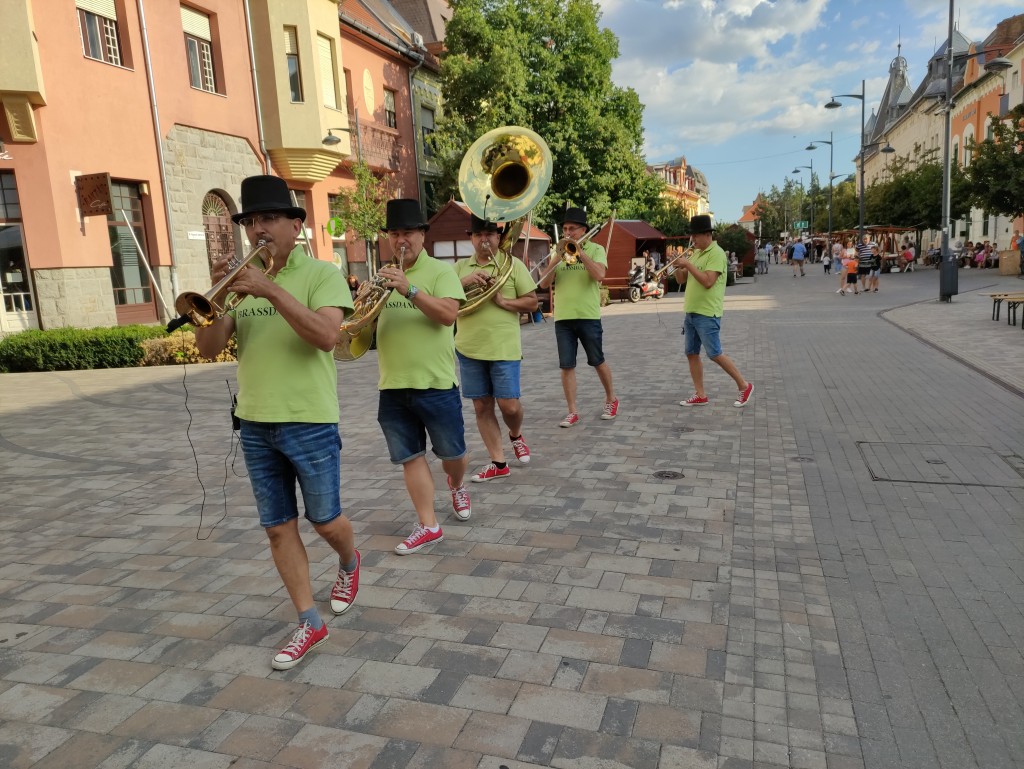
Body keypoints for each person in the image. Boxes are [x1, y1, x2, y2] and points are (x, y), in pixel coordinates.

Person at [194, 175, 359, 671]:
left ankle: (350, 562)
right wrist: (218, 299)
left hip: (308, 419)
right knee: (277, 529)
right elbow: (206, 349)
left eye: (268, 219)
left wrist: (267, 289)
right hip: (255, 423)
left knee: (325, 520)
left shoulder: (322, 275)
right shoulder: (240, 283)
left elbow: (326, 336)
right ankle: (309, 620)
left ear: (295, 224)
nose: (258, 230)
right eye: (250, 221)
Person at [375, 199, 470, 554]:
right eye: (395, 233)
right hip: (393, 385)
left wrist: (409, 289)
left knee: (454, 454)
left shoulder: (441, 272)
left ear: (422, 236)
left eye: (408, 233)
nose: (401, 240)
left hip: (436, 384)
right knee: (411, 457)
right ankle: (429, 524)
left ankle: (457, 484)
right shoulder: (383, 274)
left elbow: (448, 314)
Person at [455, 215, 539, 482]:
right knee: (482, 406)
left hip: (504, 349)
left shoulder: (512, 265)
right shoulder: (458, 268)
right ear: (471, 237)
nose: (484, 240)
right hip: (469, 349)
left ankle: (515, 435)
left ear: (499, 237)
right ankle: (498, 462)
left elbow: (532, 303)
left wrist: (504, 302)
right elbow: (442, 301)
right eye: (479, 234)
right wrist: (465, 282)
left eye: (490, 234)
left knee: (510, 406)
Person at [538, 206, 618, 427]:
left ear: (583, 230)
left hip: (588, 315)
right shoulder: (559, 252)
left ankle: (611, 399)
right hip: (563, 318)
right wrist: (557, 258)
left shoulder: (595, 249)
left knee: (597, 361)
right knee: (566, 366)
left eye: (572, 229)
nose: (567, 232)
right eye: (564, 228)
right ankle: (572, 411)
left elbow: (600, 275)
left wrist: (580, 253)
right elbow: (543, 283)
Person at [674, 214, 754, 408]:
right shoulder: (697, 253)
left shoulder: (716, 253)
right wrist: (677, 265)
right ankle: (700, 394)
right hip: (692, 312)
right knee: (691, 353)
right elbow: (680, 280)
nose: (693, 240)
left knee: (715, 353)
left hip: (708, 313)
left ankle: (744, 385)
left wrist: (688, 264)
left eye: (696, 236)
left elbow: (708, 281)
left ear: (707, 234)